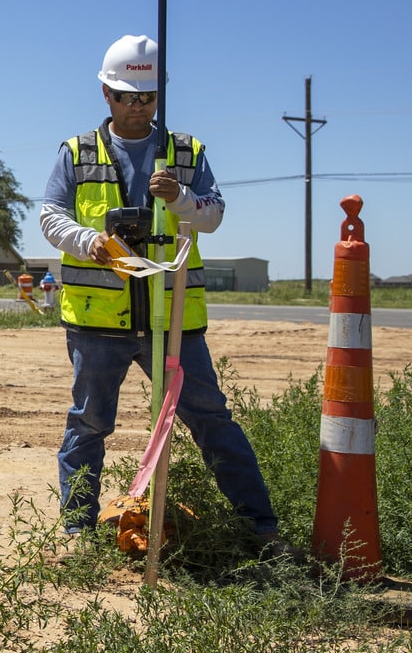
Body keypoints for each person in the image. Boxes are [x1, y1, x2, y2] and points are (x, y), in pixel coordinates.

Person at [40, 34, 280, 547]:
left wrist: (183, 198)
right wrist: (90, 241)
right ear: (105, 94)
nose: (135, 106)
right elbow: (50, 216)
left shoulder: (187, 152)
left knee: (211, 419)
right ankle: (77, 529)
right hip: (98, 319)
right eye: (126, 96)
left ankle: (259, 527)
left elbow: (212, 216)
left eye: (145, 97)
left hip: (173, 319)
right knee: (88, 424)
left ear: (158, 97)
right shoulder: (76, 152)